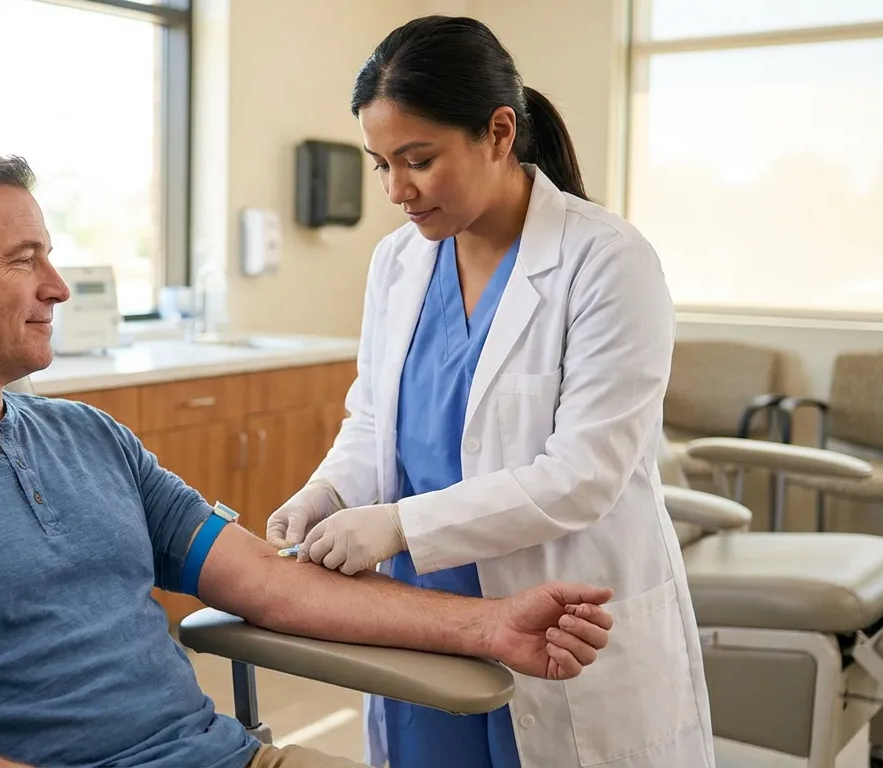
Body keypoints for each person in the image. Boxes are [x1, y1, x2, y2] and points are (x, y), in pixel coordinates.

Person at [0, 150, 617, 768]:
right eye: (25, 260)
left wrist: (489, 624)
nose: (57, 285)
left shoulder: (90, 438)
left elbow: (266, 579)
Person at [265, 15, 715, 768]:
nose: (395, 190)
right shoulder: (398, 263)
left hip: (558, 621)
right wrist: (330, 494)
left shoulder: (605, 262)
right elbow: (375, 418)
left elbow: (584, 476)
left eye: (418, 159)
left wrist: (398, 525)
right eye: (379, 163)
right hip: (421, 621)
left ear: (499, 132)